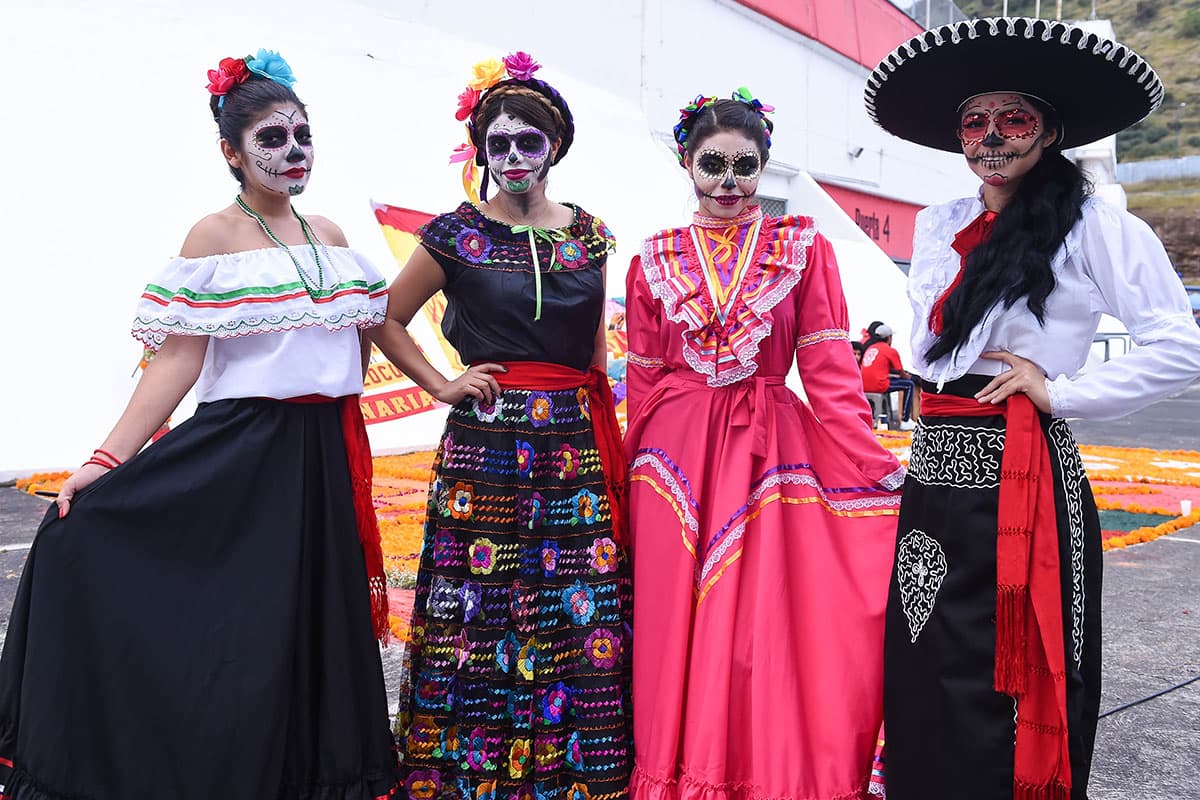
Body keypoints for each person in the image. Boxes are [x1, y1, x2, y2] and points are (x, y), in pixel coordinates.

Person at [0, 50, 400, 798]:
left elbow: (380, 328)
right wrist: (106, 459)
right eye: (271, 140)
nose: (293, 154)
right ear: (231, 152)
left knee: (304, 629)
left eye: (302, 136)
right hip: (242, 454)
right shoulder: (211, 237)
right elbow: (179, 363)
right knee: (235, 631)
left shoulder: (331, 231)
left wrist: (444, 384)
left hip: (319, 457)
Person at [864, 17, 1200, 800]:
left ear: (1048, 130)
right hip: (936, 469)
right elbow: (932, 350)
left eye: (1013, 119)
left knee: (1006, 665)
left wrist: (1063, 392)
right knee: (924, 651)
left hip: (1024, 469)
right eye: (975, 121)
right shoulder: (940, 221)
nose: (991, 137)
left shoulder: (1096, 225)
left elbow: (1180, 345)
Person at [624, 89, 904, 800]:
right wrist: (622, 469)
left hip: (767, 451)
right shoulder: (653, 256)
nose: (727, 182)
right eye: (712, 163)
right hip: (670, 462)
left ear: (764, 167)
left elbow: (831, 373)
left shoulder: (802, 247)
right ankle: (673, 773)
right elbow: (646, 377)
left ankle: (752, 774)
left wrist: (875, 466)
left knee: (757, 626)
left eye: (743, 167)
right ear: (686, 163)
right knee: (672, 621)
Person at [370, 53, 632, 799]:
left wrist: (607, 428)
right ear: (481, 152)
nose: (513, 157)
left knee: (578, 602)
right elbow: (386, 318)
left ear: (555, 148)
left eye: (529, 143)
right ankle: (468, 775)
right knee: (480, 605)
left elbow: (593, 349)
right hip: (486, 446)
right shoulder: (454, 233)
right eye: (499, 145)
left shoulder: (592, 235)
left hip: (573, 446)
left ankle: (573, 771)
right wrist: (444, 385)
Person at [860, 324, 919, 428]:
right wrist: (907, 376)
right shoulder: (890, 350)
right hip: (878, 385)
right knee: (909, 384)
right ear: (889, 338)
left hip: (863, 385)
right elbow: (900, 372)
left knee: (897, 381)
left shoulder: (871, 348)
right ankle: (905, 421)